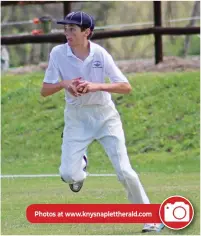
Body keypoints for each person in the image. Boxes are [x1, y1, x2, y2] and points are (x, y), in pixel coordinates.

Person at [41, 11, 164, 233]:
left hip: (105, 117)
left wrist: (95, 86)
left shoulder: (100, 54)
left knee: (125, 172)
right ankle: (81, 164)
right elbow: (45, 90)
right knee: (68, 175)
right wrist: (65, 84)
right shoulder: (57, 53)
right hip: (76, 119)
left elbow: (125, 87)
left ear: (86, 32)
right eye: (65, 29)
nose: (67, 33)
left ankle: (151, 218)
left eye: (72, 29)